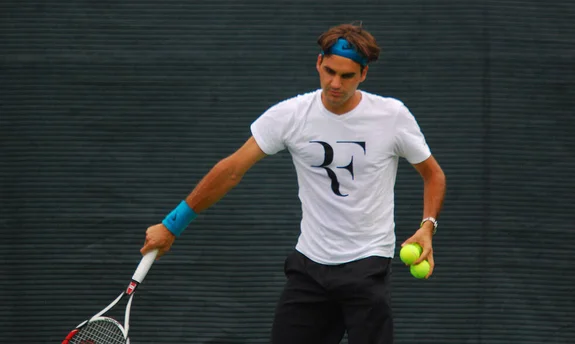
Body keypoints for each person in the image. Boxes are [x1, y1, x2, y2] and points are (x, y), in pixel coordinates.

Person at [141, 22, 446, 344]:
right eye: (329, 71)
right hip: (309, 269)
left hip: (368, 266)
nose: (335, 83)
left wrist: (427, 226)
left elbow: (433, 174)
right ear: (318, 62)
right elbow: (230, 170)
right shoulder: (290, 115)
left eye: (347, 76)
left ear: (363, 75)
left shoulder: (392, 116)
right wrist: (172, 225)